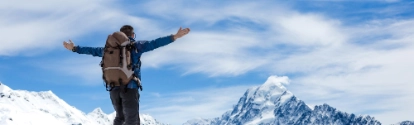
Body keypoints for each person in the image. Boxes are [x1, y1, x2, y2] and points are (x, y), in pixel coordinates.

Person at [63, 25, 190, 125]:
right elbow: (155, 43)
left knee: (120, 117)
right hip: (130, 87)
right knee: (131, 120)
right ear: (133, 35)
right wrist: (174, 37)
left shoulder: (108, 49)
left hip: (113, 88)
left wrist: (74, 48)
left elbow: (91, 50)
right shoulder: (135, 46)